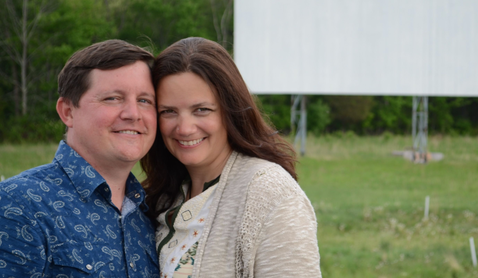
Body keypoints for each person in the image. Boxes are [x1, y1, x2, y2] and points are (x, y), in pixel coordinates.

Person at [141, 37, 321, 277]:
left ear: (230, 110)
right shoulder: (162, 196)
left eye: (201, 110)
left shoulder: (270, 192)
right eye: (168, 111)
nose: (184, 128)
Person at [0, 40, 160, 277]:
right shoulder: (17, 205)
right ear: (68, 112)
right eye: (113, 98)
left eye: (144, 101)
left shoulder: (153, 214)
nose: (133, 114)